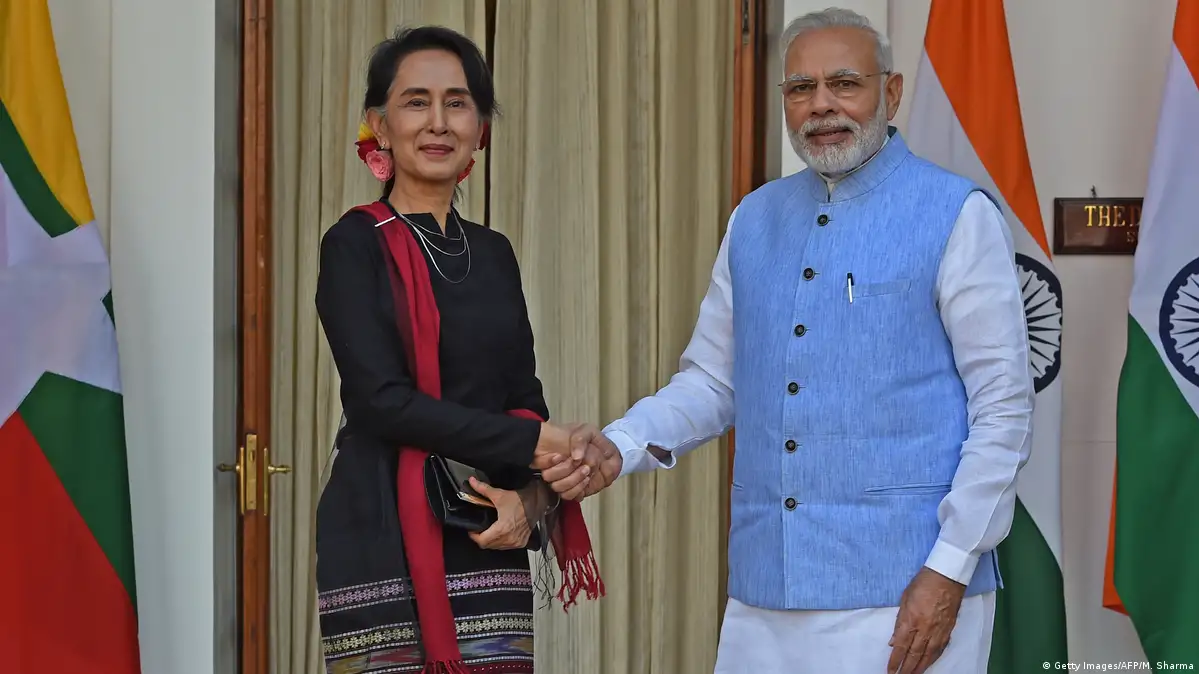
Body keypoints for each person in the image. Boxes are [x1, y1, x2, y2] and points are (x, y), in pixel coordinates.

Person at [552, 7, 1035, 674]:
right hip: (765, 589)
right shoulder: (754, 218)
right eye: (801, 88)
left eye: (845, 83)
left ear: (891, 93)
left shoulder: (956, 213)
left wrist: (949, 567)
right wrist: (621, 444)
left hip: (904, 590)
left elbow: (1003, 406)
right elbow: (713, 381)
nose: (821, 105)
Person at [314, 26, 610, 674]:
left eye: (457, 102)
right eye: (415, 102)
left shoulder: (494, 253)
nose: (438, 122)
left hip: (484, 526)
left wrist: (529, 501)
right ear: (379, 126)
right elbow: (381, 403)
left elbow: (523, 400)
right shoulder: (354, 245)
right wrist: (534, 442)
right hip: (381, 535)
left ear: (480, 129)